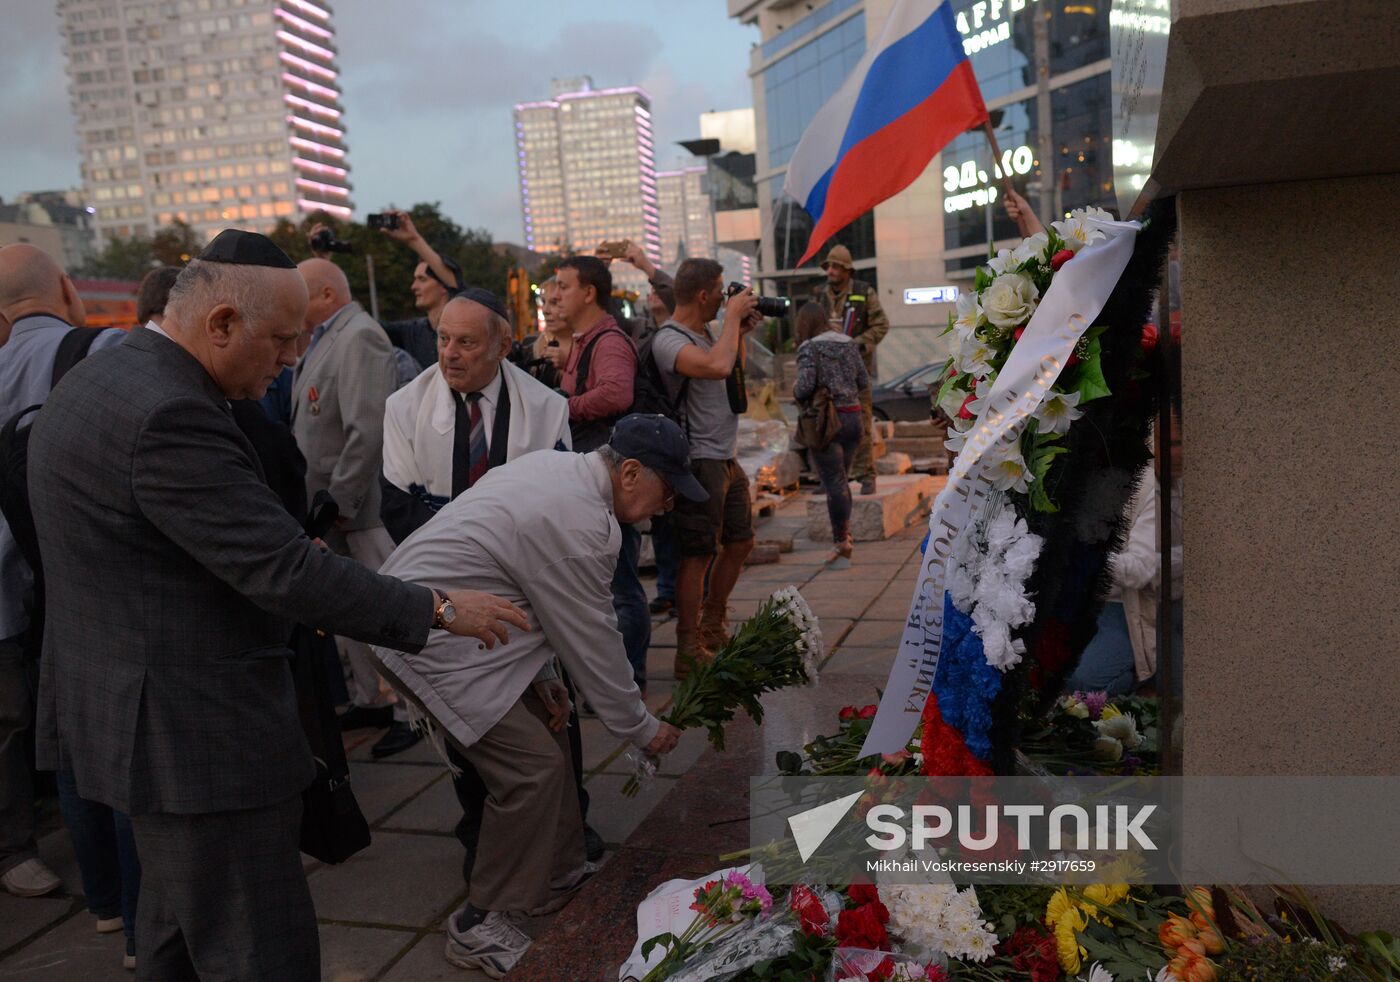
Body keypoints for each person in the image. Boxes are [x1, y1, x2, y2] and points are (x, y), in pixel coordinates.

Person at [26, 229, 529, 982]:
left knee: (176, 936)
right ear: (221, 323)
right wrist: (439, 610)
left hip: (132, 718)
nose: (292, 358)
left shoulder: (104, 377)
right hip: (196, 735)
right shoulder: (172, 412)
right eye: (283, 340)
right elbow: (284, 572)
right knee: (259, 949)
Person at [372, 414, 695, 976]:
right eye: (666, 493)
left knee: (551, 735)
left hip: (439, 618)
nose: (666, 507)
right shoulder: (582, 521)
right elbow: (594, 640)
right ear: (632, 472)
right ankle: (479, 922)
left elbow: (528, 589)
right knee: (532, 773)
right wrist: (642, 729)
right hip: (430, 636)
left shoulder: (558, 468)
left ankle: (559, 875)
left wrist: (544, 677)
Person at [0, 245, 126, 904]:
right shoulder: (99, 354)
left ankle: (98, 898)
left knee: (45, 737)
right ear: (67, 288)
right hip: (94, 582)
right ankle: (134, 905)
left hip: (19, 596)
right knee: (114, 738)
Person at [292, 258, 416, 756]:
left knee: (387, 607)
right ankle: (371, 699)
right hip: (333, 505)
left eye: (298, 294)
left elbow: (366, 430)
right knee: (348, 613)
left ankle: (412, 711)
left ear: (324, 293)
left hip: (357, 507)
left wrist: (340, 502)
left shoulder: (359, 335)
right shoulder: (325, 335)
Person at [651, 258, 759, 676]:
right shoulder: (669, 340)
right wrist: (732, 320)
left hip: (726, 456)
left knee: (742, 541)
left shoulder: (711, 331)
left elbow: (732, 372)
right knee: (697, 555)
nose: (725, 298)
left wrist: (739, 330)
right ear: (702, 295)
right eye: (720, 292)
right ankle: (687, 646)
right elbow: (714, 366)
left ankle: (714, 624)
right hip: (698, 461)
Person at [555, 256, 652, 689]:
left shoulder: (607, 341)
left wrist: (560, 408)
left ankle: (629, 679)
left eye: (563, 286)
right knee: (609, 582)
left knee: (620, 583)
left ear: (589, 292)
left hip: (610, 479)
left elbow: (615, 394)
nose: (555, 295)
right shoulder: (583, 340)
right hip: (595, 475)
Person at [309, 211, 462, 372]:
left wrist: (413, 239)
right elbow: (354, 322)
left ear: (444, 286)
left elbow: (454, 282)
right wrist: (323, 264)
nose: (413, 286)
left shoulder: (470, 324)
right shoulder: (410, 332)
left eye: (422, 279)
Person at [793, 301, 869, 569]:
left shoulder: (809, 347)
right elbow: (863, 381)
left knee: (835, 483)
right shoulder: (848, 343)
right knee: (842, 481)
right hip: (853, 418)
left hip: (827, 422)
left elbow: (804, 387)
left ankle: (842, 543)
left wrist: (795, 388)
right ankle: (845, 538)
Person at [810, 244, 888, 496]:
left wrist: (853, 345)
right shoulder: (819, 296)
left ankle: (866, 476)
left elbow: (881, 325)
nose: (830, 271)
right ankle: (831, 478)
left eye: (835, 266)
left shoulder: (864, 293)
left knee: (861, 425)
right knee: (825, 425)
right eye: (828, 266)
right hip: (827, 375)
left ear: (847, 270)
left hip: (856, 373)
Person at [512, 277, 571, 389]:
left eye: (554, 303)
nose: (545, 310)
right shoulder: (529, 346)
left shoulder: (590, 351)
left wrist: (567, 367)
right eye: (543, 302)